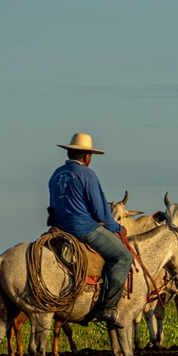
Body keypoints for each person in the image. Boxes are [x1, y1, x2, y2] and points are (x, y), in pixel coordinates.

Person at [47, 133, 132, 329]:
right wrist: (118, 228)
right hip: (83, 229)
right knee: (123, 257)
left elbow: (52, 205)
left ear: (69, 152)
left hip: (58, 228)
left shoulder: (56, 174)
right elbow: (101, 212)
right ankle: (107, 308)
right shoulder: (88, 175)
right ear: (86, 157)